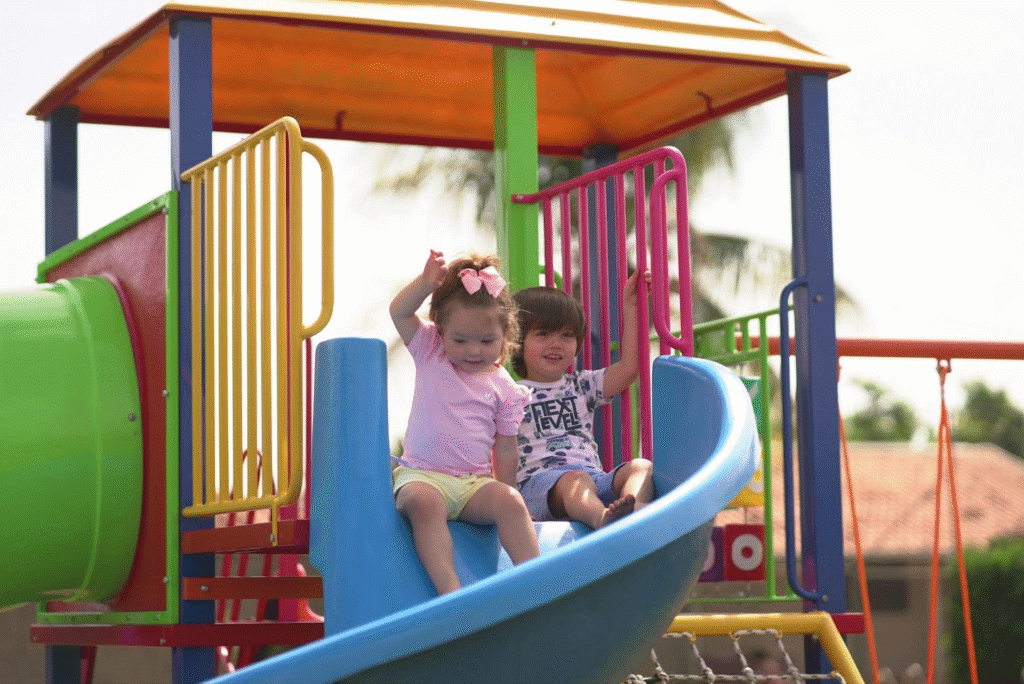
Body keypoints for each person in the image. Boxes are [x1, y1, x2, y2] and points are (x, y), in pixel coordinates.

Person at [389, 249, 540, 595]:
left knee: (511, 502)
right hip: (422, 474)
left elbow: (506, 448)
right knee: (425, 505)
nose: (474, 350)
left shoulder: (505, 387)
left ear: (505, 335)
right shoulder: (431, 351)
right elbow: (399, 311)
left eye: (486, 341)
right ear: (440, 332)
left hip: (473, 485)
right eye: (461, 340)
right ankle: (450, 590)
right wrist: (426, 283)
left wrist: (508, 488)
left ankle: (536, 582)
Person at [511, 269, 654, 530]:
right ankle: (603, 520)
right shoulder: (509, 394)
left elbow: (629, 369)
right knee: (574, 481)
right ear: (517, 343)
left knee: (641, 466)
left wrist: (631, 308)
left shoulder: (581, 385)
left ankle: (631, 511)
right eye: (543, 334)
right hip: (541, 487)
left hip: (593, 482)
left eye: (566, 336)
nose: (556, 344)